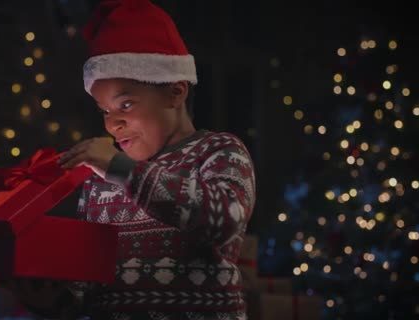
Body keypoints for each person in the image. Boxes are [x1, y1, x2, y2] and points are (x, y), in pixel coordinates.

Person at [13, 0, 256, 319]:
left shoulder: (219, 152)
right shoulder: (100, 183)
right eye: (105, 111)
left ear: (176, 92)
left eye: (125, 105)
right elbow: (87, 287)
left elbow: (223, 221)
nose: (112, 124)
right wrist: (44, 296)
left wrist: (121, 170)